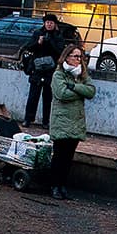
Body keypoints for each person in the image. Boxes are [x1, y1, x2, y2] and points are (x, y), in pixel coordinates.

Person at [47, 43, 95, 201]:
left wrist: (74, 86)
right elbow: (62, 94)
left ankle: (62, 186)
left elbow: (91, 91)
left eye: (80, 57)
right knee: (59, 155)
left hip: (76, 121)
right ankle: (54, 186)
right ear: (66, 57)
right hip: (62, 120)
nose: (78, 60)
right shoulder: (58, 75)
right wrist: (80, 91)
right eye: (75, 56)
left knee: (68, 157)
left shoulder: (81, 75)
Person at [22, 13, 65, 128]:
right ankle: (28, 119)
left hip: (50, 71)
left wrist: (50, 41)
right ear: (44, 23)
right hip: (37, 69)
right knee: (33, 96)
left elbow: (60, 51)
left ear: (54, 24)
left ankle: (45, 121)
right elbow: (29, 47)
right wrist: (38, 42)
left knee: (47, 97)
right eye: (47, 22)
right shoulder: (38, 33)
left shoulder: (58, 36)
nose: (49, 24)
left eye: (51, 22)